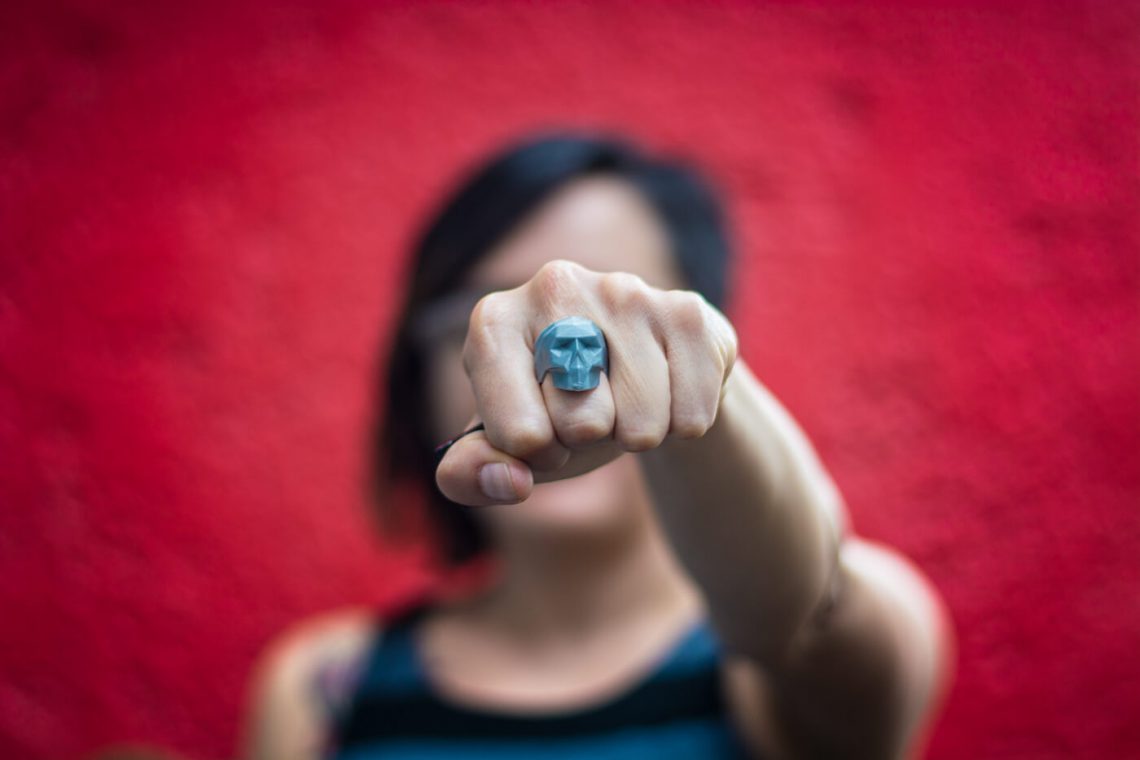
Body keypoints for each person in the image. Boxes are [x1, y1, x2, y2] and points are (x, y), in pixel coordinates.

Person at [242, 133, 953, 759]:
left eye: (612, 313)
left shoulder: (790, 648)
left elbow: (797, 612)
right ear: (415, 373)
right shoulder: (323, 688)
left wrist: (706, 403)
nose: (543, 365)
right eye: (477, 314)